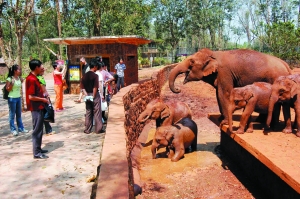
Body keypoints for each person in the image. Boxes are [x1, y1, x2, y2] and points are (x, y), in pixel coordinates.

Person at [25, 59, 50, 159]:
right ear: (36, 68)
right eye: (40, 67)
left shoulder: (35, 78)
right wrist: (43, 100)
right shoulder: (31, 79)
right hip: (35, 107)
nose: (42, 68)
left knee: (40, 128)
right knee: (37, 130)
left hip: (39, 106)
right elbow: (31, 96)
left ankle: (38, 148)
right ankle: (36, 152)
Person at [80, 58, 103, 134]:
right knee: (97, 112)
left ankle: (87, 129)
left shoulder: (84, 76)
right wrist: (93, 96)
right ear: (95, 66)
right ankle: (98, 129)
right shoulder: (95, 76)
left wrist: (87, 95)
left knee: (88, 112)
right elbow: (95, 87)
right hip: (94, 95)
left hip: (87, 95)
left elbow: (82, 87)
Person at [5, 64, 29, 136]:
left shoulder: (19, 78)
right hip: (12, 98)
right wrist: (12, 84)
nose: (20, 71)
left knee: (19, 114)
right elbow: (8, 89)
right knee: (12, 115)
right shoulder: (10, 79)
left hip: (18, 98)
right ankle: (13, 130)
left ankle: (21, 128)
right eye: (19, 69)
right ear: (15, 71)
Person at [37, 67, 55, 135]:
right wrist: (46, 96)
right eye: (42, 68)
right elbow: (43, 88)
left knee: (45, 113)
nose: (44, 69)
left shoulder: (40, 77)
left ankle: (48, 130)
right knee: (43, 114)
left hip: (43, 97)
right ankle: (42, 131)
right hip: (41, 98)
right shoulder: (38, 78)